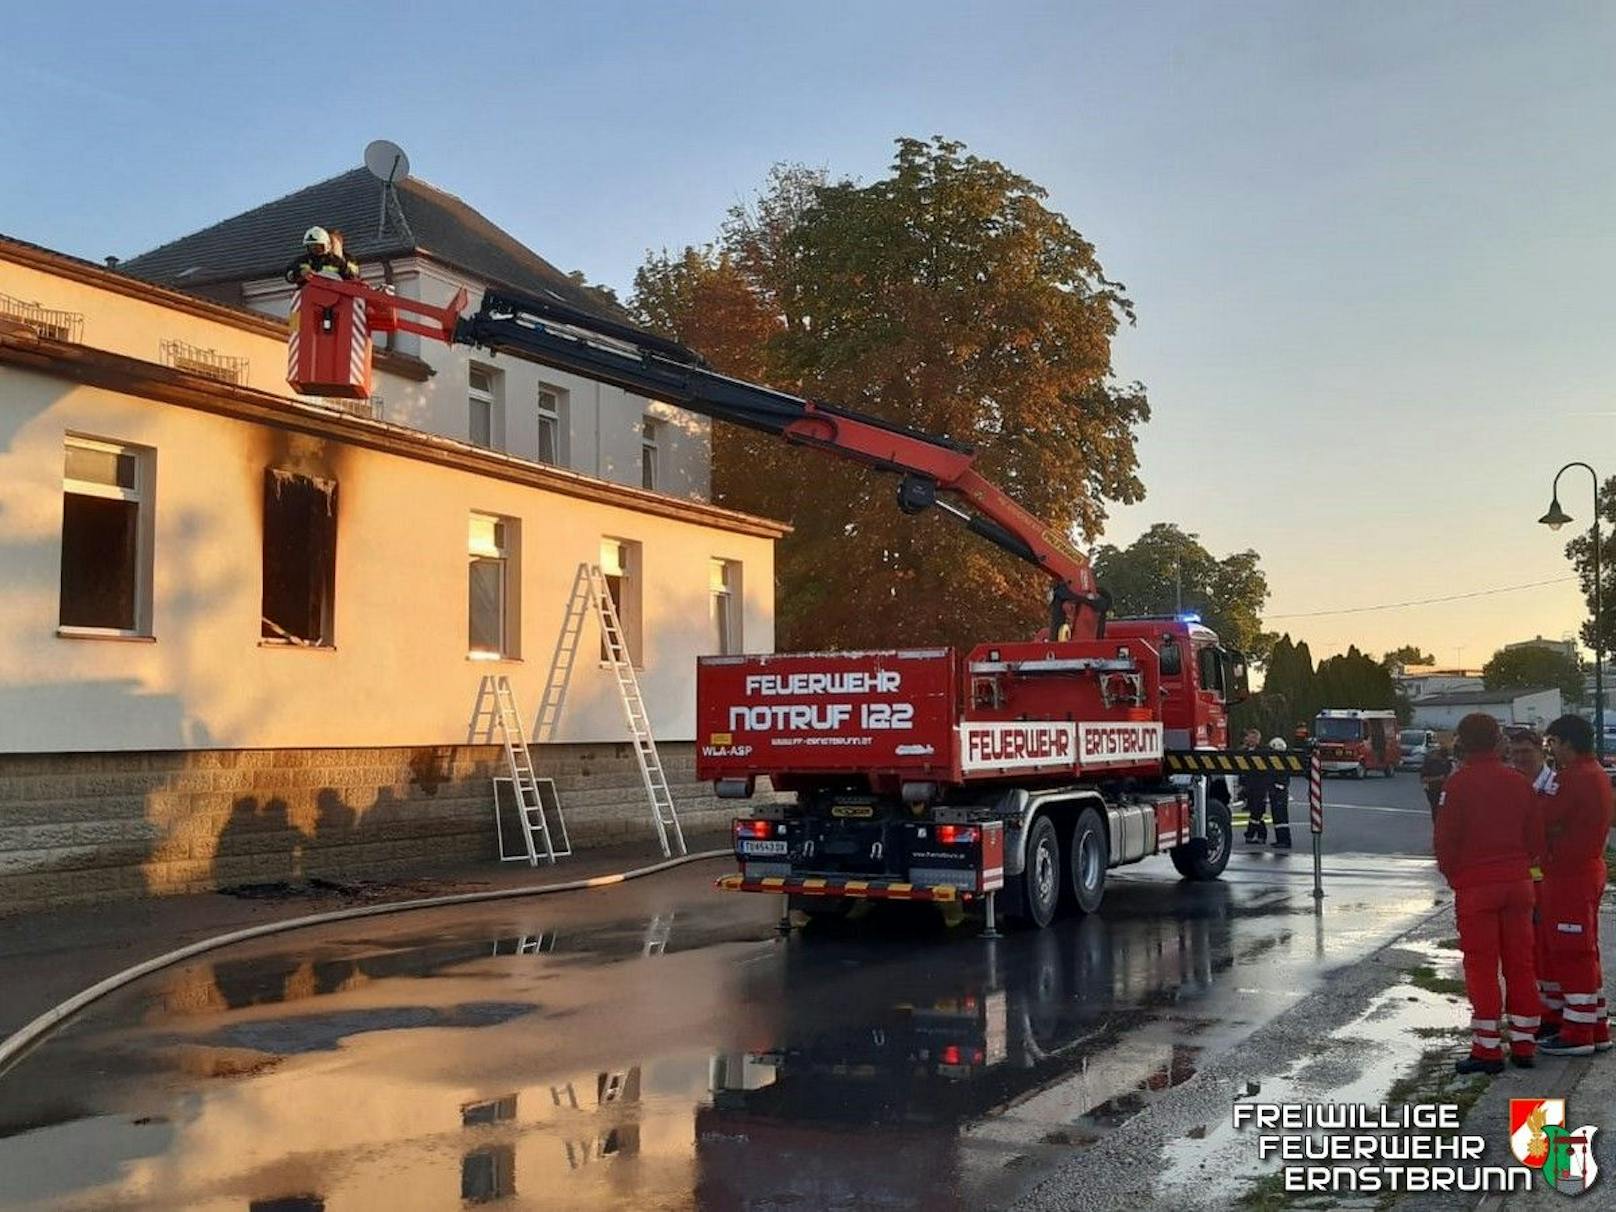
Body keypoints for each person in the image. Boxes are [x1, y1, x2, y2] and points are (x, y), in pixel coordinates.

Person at [1434, 712, 1543, 1074]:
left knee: (1481, 968)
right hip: (1518, 883)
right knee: (1521, 964)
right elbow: (1536, 838)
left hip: (1477, 886)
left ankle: (1487, 1050)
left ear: (1463, 742)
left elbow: (1445, 840)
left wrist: (1455, 877)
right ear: (1498, 740)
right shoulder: (1519, 782)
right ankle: (1525, 1043)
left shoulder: (1458, 784)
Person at [1537, 715, 1614, 1057]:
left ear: (1567, 742)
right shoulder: (1595, 774)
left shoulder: (1573, 779)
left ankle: (1578, 1032)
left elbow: (1543, 820)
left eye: (1553, 742)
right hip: (1585, 870)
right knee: (1584, 950)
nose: (1550, 750)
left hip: (1569, 875)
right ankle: (1594, 1025)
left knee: (1571, 952)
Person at [1509, 729, 1561, 1036]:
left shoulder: (1555, 787)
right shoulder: (1512, 785)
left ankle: (1554, 1012)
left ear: (1541, 752)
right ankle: (1539, 1009)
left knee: (1549, 945)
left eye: (1525, 753)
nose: (1520, 759)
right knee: (1527, 949)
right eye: (1514, 754)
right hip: (1519, 877)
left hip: (1548, 877)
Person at [284, 225, 359, 286]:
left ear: (327, 245)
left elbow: (352, 279)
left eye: (318, 246)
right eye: (311, 246)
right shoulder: (302, 261)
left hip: (334, 296)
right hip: (308, 297)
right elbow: (289, 275)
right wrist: (300, 273)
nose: (314, 249)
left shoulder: (336, 261)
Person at [1239, 727, 1270, 843]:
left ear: (1258, 740)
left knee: (1257, 811)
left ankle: (1250, 834)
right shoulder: (1243, 751)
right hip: (1249, 786)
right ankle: (1261, 835)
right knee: (1256, 812)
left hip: (1260, 786)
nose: (1250, 740)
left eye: (1253, 738)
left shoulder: (1264, 751)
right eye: (1249, 737)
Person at [1268, 737, 1293, 850]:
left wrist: (1277, 786)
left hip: (1280, 792)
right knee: (1277, 817)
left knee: (1281, 817)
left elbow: (1283, 778)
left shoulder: (1282, 761)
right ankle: (1280, 840)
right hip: (1276, 791)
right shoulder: (1276, 760)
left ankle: (1284, 840)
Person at [1421, 742, 1454, 821]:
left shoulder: (1448, 763)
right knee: (1436, 809)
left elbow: (1449, 774)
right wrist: (1438, 778)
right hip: (1432, 790)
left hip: (1444, 790)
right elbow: (1423, 779)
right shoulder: (1430, 763)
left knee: (1444, 809)